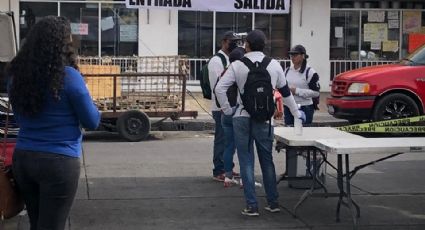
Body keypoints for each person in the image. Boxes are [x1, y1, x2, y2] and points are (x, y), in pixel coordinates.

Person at [7, 16, 100, 230]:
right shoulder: (69, 77)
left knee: (36, 223)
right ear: (62, 44)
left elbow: (20, 120)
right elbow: (92, 121)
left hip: (23, 159)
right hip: (59, 162)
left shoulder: (16, 77)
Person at [215, 30, 305, 216]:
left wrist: (228, 109)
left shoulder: (237, 65)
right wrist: (296, 114)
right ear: (264, 45)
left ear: (247, 45)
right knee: (267, 160)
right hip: (264, 119)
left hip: (241, 117)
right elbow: (286, 93)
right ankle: (273, 202)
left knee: (246, 161)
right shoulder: (274, 65)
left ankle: (252, 205)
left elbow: (220, 88)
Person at [209, 31, 240, 181]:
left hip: (230, 105)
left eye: (236, 41)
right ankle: (218, 170)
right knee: (221, 139)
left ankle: (228, 167)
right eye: (231, 42)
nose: (234, 44)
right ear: (224, 42)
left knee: (230, 140)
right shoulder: (217, 60)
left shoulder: (230, 59)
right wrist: (224, 106)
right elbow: (219, 86)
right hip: (220, 106)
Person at [219, 47, 245, 187]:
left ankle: (228, 176)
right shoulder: (239, 72)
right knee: (243, 147)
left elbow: (218, 90)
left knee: (228, 146)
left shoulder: (224, 72)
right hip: (238, 112)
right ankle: (244, 179)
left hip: (225, 113)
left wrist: (225, 108)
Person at [284, 45, 320, 125]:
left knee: (304, 134)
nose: (293, 57)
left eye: (295, 55)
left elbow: (316, 92)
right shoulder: (287, 70)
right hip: (288, 106)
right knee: (289, 133)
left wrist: (297, 91)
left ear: (303, 56)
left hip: (305, 107)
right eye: (291, 55)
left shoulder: (310, 72)